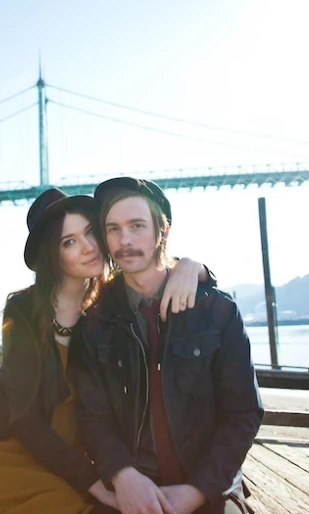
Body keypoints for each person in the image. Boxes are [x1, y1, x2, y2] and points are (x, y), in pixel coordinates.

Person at [0, 186, 213, 514]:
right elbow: (25, 419)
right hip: (4, 445)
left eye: (90, 232)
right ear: (53, 254)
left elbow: (157, 273)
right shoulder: (24, 309)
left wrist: (192, 266)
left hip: (78, 451)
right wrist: (98, 486)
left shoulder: (111, 301)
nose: (87, 247)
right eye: (68, 241)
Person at [71, 177, 264, 514]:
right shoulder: (94, 323)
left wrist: (197, 491)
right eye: (113, 229)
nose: (125, 240)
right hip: (133, 486)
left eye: (137, 226)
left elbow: (243, 412)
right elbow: (92, 417)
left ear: (163, 231)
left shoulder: (217, 311)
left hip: (210, 486)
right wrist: (123, 475)